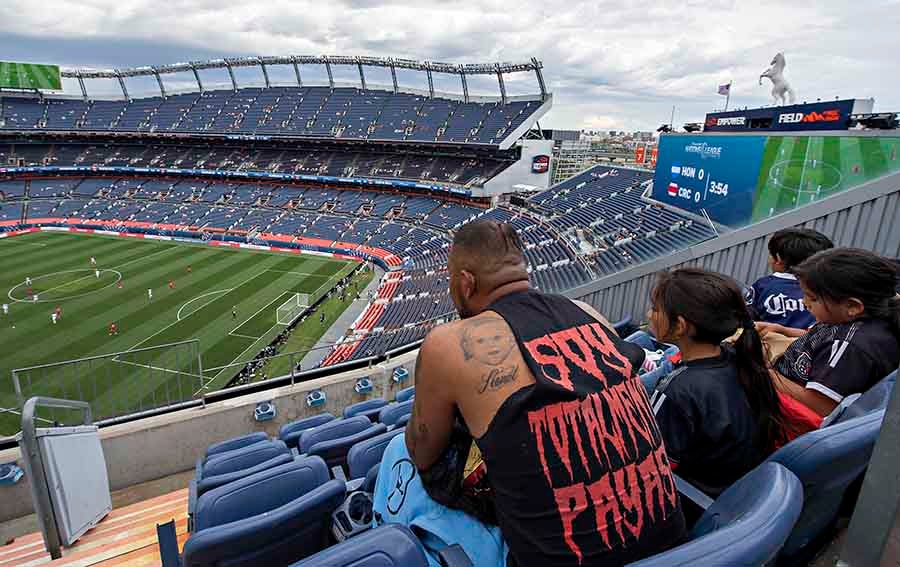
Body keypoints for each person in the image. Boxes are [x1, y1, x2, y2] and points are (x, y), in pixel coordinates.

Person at [403, 219, 685, 566]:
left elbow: (423, 453)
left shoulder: (449, 343)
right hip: (674, 544)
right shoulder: (589, 313)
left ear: (466, 282)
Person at [646, 268, 791, 496]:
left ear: (681, 326)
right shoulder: (738, 359)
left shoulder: (676, 390)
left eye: (655, 309)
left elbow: (651, 466)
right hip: (740, 491)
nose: (648, 315)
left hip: (698, 500)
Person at [771, 248, 900, 421]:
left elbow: (820, 405)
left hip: (790, 416)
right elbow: (821, 340)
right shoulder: (851, 320)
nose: (804, 302)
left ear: (853, 306)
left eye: (812, 298)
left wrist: (764, 373)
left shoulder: (851, 347)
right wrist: (783, 330)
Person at [746, 228, 833, 330]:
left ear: (778, 258)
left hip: (769, 343)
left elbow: (746, 318)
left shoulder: (763, 285)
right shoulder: (829, 289)